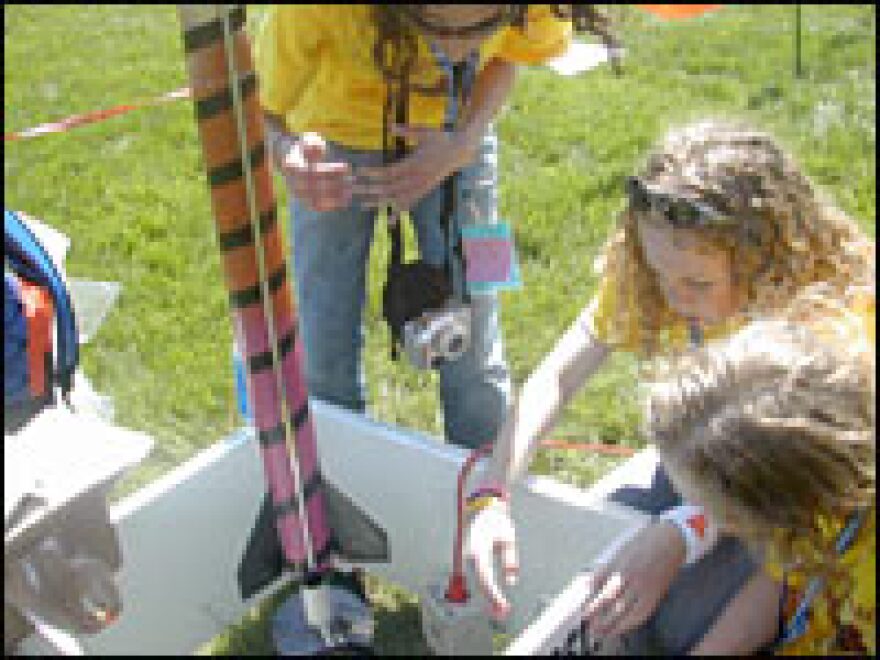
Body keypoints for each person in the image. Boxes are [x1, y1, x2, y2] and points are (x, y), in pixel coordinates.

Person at [463, 119, 875, 651]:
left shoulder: (833, 339)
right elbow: (560, 375)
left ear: (762, 255)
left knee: (679, 621)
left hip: (779, 490)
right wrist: (491, 496)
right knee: (584, 553)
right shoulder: (663, 268)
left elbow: (799, 504)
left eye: (698, 284)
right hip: (701, 462)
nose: (674, 298)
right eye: (658, 275)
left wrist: (681, 533)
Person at [252, 5, 614, 453]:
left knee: (479, 330)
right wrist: (286, 154)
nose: (456, 50)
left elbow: (510, 57)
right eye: (433, 28)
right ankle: (335, 481)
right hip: (334, 146)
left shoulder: (536, 8)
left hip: (464, 144)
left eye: (482, 29)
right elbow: (257, 106)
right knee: (322, 340)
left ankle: (488, 485)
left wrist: (463, 143)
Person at [645, 298, 875, 655]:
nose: (691, 511)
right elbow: (787, 574)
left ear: (777, 514)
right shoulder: (822, 392)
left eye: (705, 507)